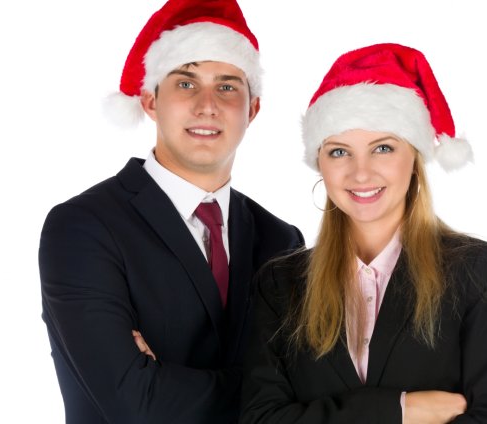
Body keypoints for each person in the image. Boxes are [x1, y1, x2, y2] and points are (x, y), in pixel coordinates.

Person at [240, 43, 487, 423]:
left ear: (414, 158)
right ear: (320, 164)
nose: (360, 174)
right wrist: (400, 410)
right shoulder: (281, 284)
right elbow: (261, 419)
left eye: (382, 148)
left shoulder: (472, 269)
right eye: (339, 152)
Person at [39, 0, 304, 422]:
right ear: (150, 100)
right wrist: (266, 391)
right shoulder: (83, 227)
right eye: (185, 83)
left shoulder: (281, 240)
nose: (207, 105)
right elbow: (134, 402)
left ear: (252, 110)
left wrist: (162, 376)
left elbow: (308, 386)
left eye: (228, 85)